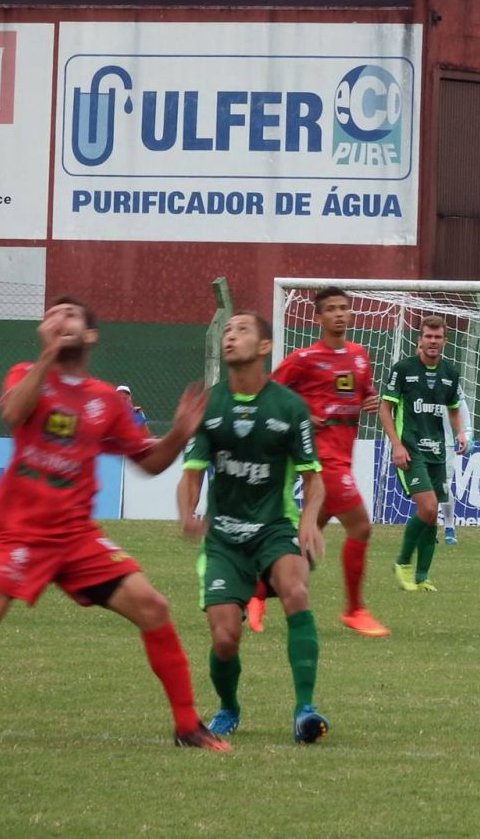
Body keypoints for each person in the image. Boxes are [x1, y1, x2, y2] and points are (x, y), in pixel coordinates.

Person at [0, 298, 228, 750]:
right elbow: (14, 413)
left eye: (71, 314)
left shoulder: (105, 400)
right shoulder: (25, 374)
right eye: (53, 315)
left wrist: (178, 434)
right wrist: (48, 356)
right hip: (24, 532)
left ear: (90, 335)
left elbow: (149, 463)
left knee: (152, 606)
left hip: (77, 536)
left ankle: (187, 726)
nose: (60, 319)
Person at [177, 311, 330, 743]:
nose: (230, 336)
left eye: (241, 330)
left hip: (274, 528)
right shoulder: (210, 405)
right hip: (224, 536)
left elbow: (312, 478)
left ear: (264, 347)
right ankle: (228, 707)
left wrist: (308, 520)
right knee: (225, 639)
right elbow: (191, 474)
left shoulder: (289, 407)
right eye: (226, 330)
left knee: (296, 591)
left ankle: (305, 709)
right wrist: (188, 513)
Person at [246, 287, 388, 637]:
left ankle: (256, 593)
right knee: (362, 527)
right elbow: (268, 392)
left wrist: (370, 400)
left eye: (344, 308)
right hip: (321, 462)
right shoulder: (305, 358)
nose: (340, 314)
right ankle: (354, 610)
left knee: (304, 545)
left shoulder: (358, 355)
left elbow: (363, 392)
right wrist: (304, 413)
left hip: (344, 454)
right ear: (318, 317)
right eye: (331, 309)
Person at [380, 315, 467, 592]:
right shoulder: (404, 369)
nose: (432, 341)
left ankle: (421, 577)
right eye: (428, 336)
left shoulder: (450, 373)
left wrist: (460, 433)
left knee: (432, 516)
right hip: (411, 451)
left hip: (437, 453)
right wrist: (396, 445)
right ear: (420, 339)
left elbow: (453, 408)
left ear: (445, 340)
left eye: (437, 337)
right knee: (428, 508)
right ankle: (403, 562)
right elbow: (385, 409)